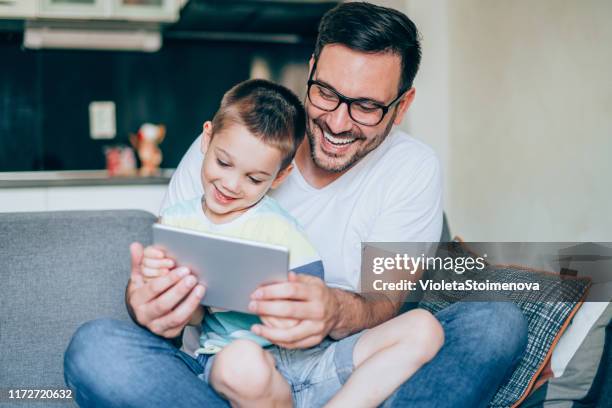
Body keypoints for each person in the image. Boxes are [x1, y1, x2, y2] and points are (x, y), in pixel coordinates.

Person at [64, 3, 527, 407]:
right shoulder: (230, 151)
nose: (337, 122)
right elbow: (176, 289)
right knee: (96, 348)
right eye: (326, 92)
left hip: (339, 369)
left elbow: (386, 301)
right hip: (224, 373)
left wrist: (333, 310)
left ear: (401, 106)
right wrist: (148, 306)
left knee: (496, 323)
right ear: (310, 71)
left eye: (366, 106)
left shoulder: (413, 169)